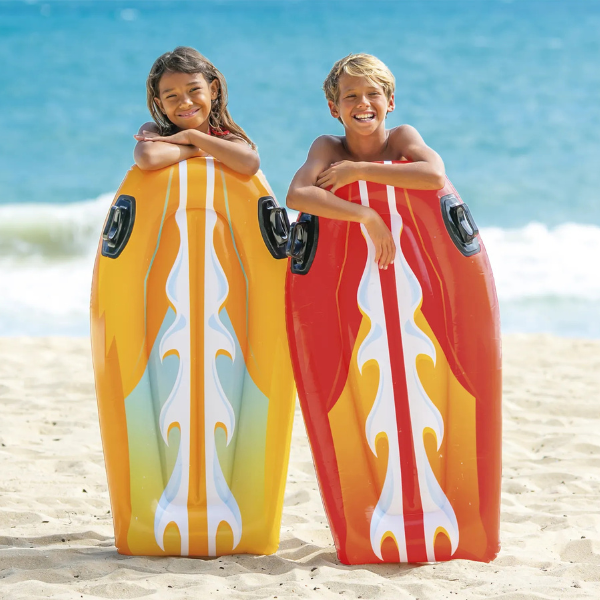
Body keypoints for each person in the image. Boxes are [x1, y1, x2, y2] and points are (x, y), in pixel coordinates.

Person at [286, 53, 446, 270]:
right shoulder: (328, 147)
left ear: (390, 102)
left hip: (408, 261)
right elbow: (296, 195)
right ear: (334, 108)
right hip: (348, 263)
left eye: (373, 94)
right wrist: (367, 216)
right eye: (351, 96)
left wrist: (359, 171)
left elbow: (435, 175)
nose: (363, 103)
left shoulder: (401, 138)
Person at [133, 46, 259, 176]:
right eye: (171, 96)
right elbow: (147, 158)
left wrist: (191, 136)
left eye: (194, 90)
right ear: (161, 105)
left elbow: (250, 163)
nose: (185, 103)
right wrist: (198, 149)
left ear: (213, 90)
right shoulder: (155, 132)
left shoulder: (228, 140)